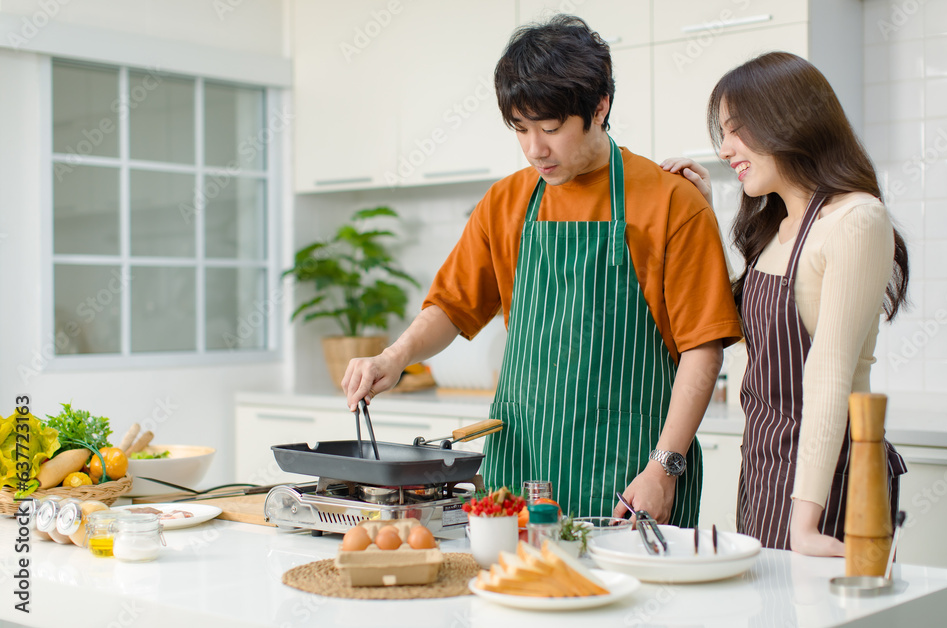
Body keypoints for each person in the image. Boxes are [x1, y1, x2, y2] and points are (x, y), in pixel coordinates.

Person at [342, 15, 742, 524]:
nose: (535, 149)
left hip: (630, 478)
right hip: (521, 476)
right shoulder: (506, 202)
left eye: (551, 128)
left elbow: (702, 349)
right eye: (521, 129)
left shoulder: (670, 201)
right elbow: (451, 306)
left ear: (600, 108)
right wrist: (393, 358)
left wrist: (663, 468)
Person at [661, 51, 908, 555]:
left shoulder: (856, 219)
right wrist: (703, 216)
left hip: (828, 477)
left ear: (787, 121)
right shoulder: (776, 227)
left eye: (736, 129)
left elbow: (829, 375)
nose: (724, 148)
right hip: (766, 465)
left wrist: (805, 525)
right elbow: (740, 315)